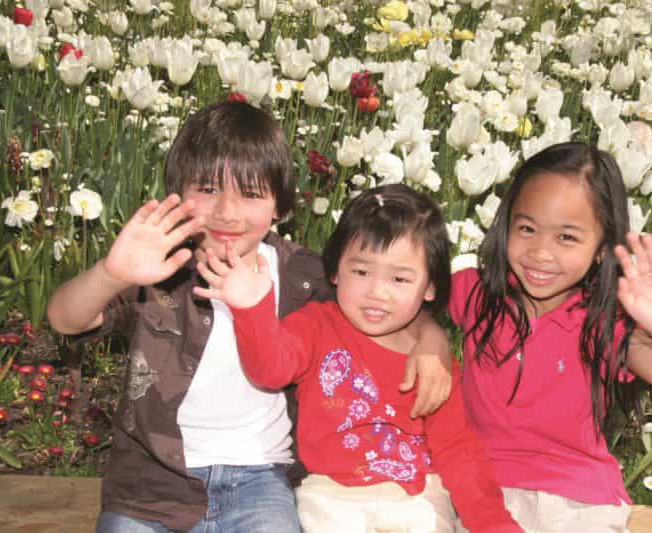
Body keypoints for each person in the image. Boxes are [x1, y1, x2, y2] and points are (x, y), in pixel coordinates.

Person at [46, 102, 452, 533]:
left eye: (251, 193)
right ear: (178, 191)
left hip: (261, 480)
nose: (227, 211)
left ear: (279, 204)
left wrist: (432, 342)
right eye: (207, 188)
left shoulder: (304, 278)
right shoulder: (158, 268)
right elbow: (64, 320)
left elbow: (380, 308)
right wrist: (110, 275)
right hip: (151, 485)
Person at [194, 184, 524, 533]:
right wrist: (252, 309)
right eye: (361, 272)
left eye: (399, 278)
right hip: (330, 496)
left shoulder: (432, 362)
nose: (376, 292)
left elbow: (458, 450)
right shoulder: (315, 326)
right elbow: (269, 371)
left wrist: (494, 524)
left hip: (416, 496)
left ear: (429, 286)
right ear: (335, 271)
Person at [449, 142, 652, 533]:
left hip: (578, 500)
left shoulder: (605, 322)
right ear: (506, 226)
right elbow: (404, 314)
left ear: (602, 250)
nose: (541, 252)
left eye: (567, 237)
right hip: (477, 489)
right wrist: (429, 346)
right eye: (527, 229)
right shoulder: (474, 294)